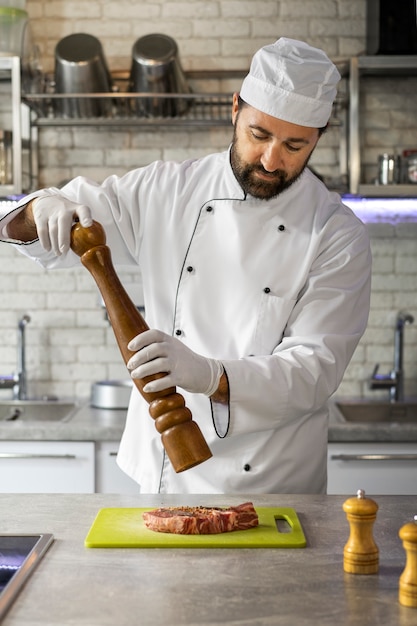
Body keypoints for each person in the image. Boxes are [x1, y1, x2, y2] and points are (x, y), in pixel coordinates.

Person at [0, 38, 371, 494]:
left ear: (320, 136)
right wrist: (42, 206)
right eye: (259, 135)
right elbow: (56, 217)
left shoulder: (336, 234)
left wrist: (212, 375)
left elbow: (314, 369)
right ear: (235, 109)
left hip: (273, 483)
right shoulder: (166, 189)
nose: (272, 160)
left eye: (295, 146)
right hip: (160, 477)